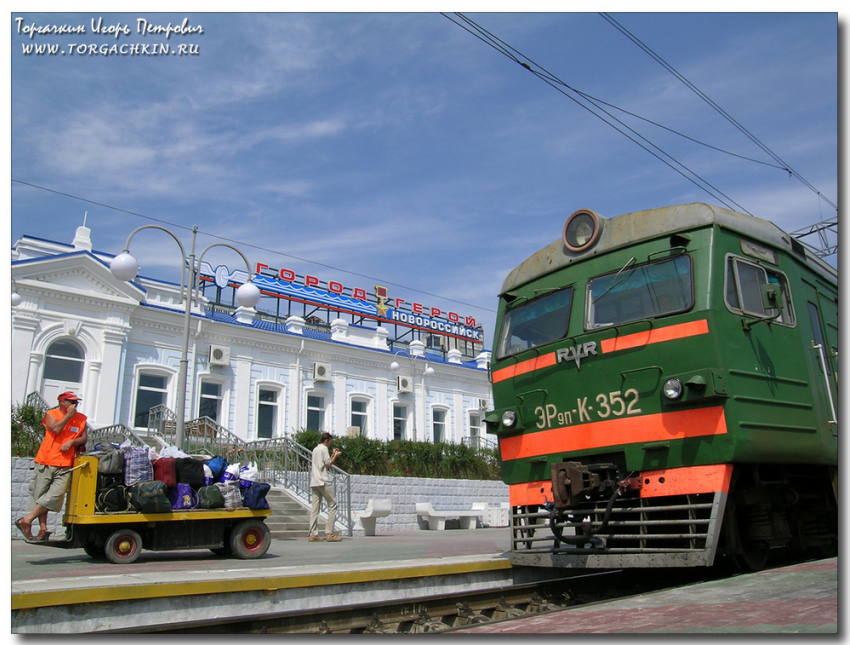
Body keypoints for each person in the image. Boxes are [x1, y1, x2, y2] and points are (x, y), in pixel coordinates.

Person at [16, 391, 88, 541]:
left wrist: (72, 442)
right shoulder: (52, 414)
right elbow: (55, 429)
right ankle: (43, 530)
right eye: (72, 402)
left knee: (55, 495)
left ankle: (26, 520)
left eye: (76, 402)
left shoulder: (81, 419)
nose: (75, 405)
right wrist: (68, 416)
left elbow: (83, 438)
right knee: (41, 496)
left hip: (65, 464)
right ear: (63, 402)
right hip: (46, 461)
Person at [308, 432, 342, 542]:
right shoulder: (324, 449)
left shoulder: (315, 449)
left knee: (315, 508)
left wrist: (332, 455)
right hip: (323, 481)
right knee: (332, 504)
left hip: (314, 481)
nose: (330, 444)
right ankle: (330, 533)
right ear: (326, 441)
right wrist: (335, 456)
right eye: (330, 442)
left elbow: (323, 462)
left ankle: (313, 534)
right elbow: (328, 464)